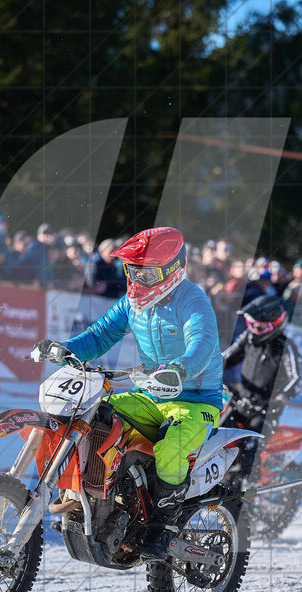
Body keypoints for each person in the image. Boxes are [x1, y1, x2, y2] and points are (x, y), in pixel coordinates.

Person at [36, 227, 224, 561]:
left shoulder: (192, 300)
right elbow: (100, 335)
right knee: (93, 413)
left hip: (196, 400)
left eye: (146, 271)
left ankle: (163, 527)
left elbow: (202, 343)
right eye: (132, 270)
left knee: (171, 448)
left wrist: (181, 369)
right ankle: (88, 494)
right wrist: (65, 349)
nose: (137, 278)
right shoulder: (132, 303)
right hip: (150, 395)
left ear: (172, 269)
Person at [220, 294, 302, 481]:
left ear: (277, 324)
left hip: (265, 411)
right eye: (252, 325)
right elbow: (225, 359)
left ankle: (248, 491)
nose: (255, 331)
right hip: (239, 403)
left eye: (261, 327)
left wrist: (281, 398)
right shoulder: (248, 338)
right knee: (214, 433)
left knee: (252, 448)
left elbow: (298, 380)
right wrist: (203, 370)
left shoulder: (285, 347)